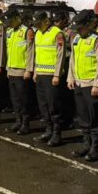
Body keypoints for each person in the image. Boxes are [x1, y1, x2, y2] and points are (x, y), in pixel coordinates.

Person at [68, 10, 98, 162]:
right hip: (78, 82)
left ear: (88, 25)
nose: (78, 30)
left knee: (95, 117)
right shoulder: (77, 39)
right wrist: (70, 77)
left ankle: (95, 148)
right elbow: (73, 59)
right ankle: (86, 144)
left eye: (80, 27)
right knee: (83, 116)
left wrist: (97, 84)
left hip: (91, 84)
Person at [32, 10, 66, 146]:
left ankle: (57, 134)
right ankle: (48, 130)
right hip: (40, 74)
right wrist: (35, 71)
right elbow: (37, 53)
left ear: (46, 21)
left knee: (54, 106)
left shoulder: (57, 33)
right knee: (43, 105)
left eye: (39, 23)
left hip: (52, 76)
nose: (37, 26)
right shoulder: (38, 33)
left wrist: (57, 74)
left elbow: (60, 55)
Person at [5, 7, 34, 135]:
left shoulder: (27, 31)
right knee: (15, 99)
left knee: (24, 99)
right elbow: (8, 51)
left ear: (17, 18)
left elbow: (30, 51)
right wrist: (7, 68)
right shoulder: (10, 32)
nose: (9, 23)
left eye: (11, 20)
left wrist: (29, 69)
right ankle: (18, 120)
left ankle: (25, 123)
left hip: (22, 71)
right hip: (11, 70)